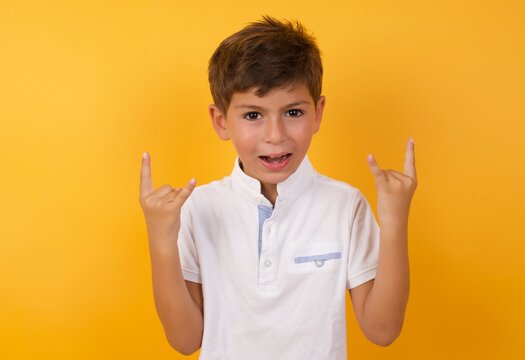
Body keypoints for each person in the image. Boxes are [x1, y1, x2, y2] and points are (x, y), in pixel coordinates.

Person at [139, 16, 417, 360]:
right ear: (221, 121)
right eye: (253, 115)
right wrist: (161, 240)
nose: (275, 135)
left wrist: (394, 222)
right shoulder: (199, 208)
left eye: (294, 112)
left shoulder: (345, 205)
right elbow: (185, 340)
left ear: (317, 113)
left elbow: (382, 330)